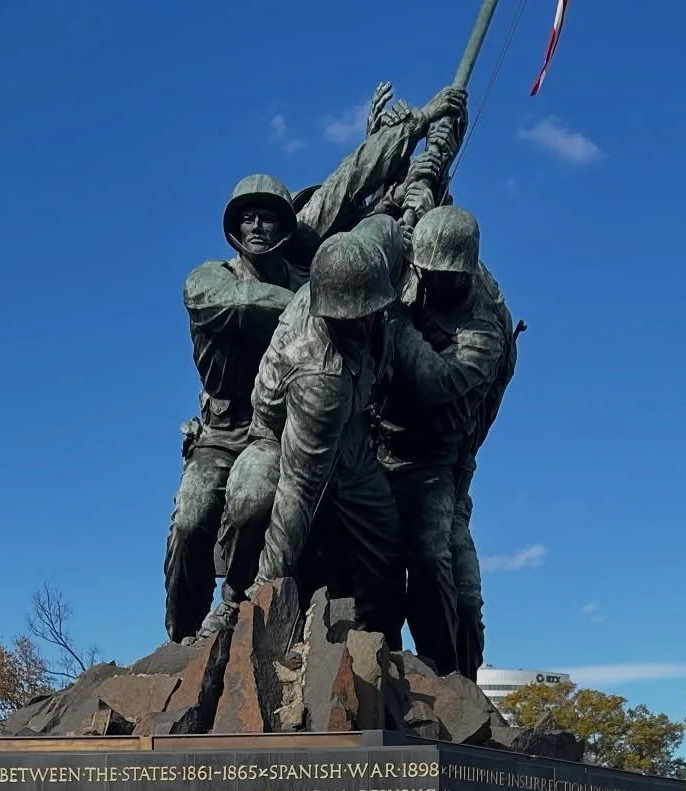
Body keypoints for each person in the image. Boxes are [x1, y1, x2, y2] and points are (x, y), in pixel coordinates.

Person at [164, 88, 469, 642]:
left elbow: (352, 191)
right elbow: (248, 305)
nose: (258, 226)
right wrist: (315, 300)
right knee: (197, 517)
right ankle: (193, 636)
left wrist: (413, 132)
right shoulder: (209, 283)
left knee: (379, 537)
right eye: (247, 218)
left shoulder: (314, 268)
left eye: (269, 217)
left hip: (331, 428)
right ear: (233, 229)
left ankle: (376, 647)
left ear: (287, 225)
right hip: (234, 432)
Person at [209, 218, 408, 641]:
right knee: (251, 497)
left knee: (387, 542)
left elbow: (387, 229)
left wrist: (417, 201)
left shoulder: (367, 258)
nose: (361, 323)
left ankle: (381, 657)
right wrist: (267, 596)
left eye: (368, 312)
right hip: (279, 439)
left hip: (349, 434)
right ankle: (233, 602)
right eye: (351, 317)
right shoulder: (317, 372)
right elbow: (296, 494)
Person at [376, 205, 516, 678]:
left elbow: (436, 383)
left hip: (433, 463)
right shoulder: (419, 261)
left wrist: (394, 319)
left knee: (435, 557)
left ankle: (447, 677)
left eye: (446, 278)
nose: (432, 284)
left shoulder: (484, 330)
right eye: (425, 273)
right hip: (372, 446)